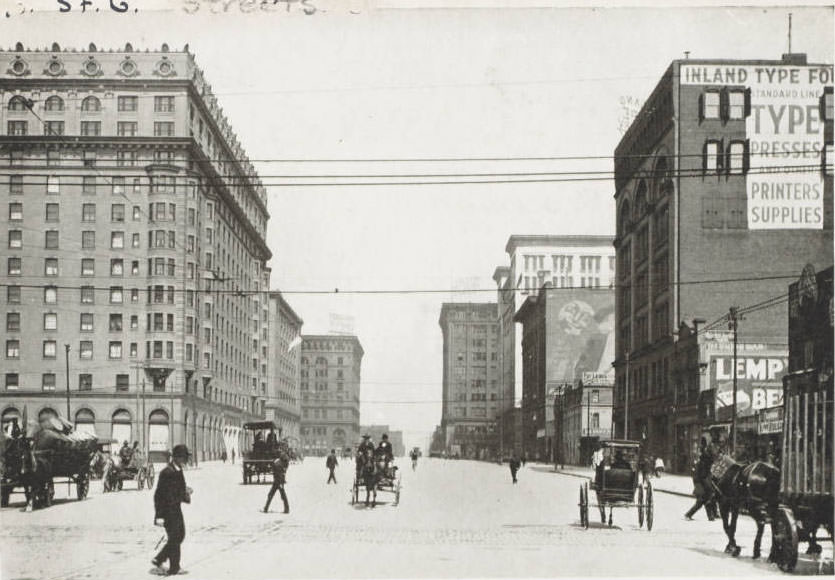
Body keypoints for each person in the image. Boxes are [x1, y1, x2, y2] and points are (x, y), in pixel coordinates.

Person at [151, 444, 193, 576]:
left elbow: (179, 489)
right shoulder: (166, 472)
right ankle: (171, 565)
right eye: (184, 458)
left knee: (179, 535)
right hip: (168, 511)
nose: (186, 461)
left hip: (176, 509)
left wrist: (186, 492)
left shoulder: (178, 470)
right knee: (175, 537)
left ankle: (161, 559)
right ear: (177, 458)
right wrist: (159, 516)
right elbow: (159, 495)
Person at [685, 438, 716, 521]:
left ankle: (711, 516)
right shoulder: (704, 463)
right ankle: (688, 514)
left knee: (706, 499)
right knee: (702, 500)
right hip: (700, 483)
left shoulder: (703, 461)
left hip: (701, 481)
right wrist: (708, 485)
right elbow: (702, 476)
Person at [263, 447, 290, 514]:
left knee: (274, 494)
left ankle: (266, 508)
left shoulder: (278, 463)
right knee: (277, 495)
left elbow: (279, 474)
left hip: (278, 482)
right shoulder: (279, 463)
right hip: (278, 481)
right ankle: (266, 508)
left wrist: (281, 483)